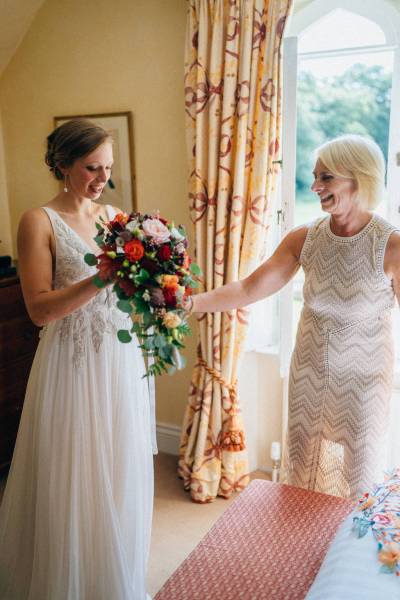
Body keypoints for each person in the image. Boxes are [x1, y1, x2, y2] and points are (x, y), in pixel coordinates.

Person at [184, 134, 400, 500]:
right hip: (309, 374)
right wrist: (190, 303)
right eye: (316, 177)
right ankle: (300, 551)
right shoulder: (305, 237)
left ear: (357, 178)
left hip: (364, 382)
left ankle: (345, 555)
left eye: (326, 177)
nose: (315, 186)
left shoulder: (390, 244)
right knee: (301, 471)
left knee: (360, 480)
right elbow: (250, 288)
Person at [0, 119, 154, 600]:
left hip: (118, 361)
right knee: (73, 475)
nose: (101, 178)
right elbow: (39, 310)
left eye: (107, 168)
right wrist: (102, 277)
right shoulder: (38, 221)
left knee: (117, 468)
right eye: (91, 167)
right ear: (62, 164)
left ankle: (112, 577)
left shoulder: (115, 217)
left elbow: (127, 291)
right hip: (71, 364)